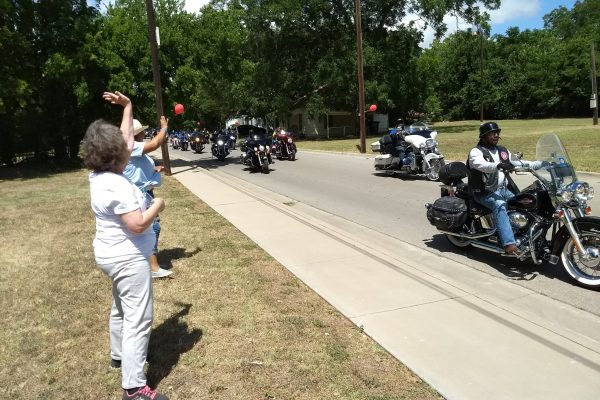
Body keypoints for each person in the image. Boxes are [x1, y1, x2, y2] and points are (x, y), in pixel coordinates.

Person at [81, 91, 169, 400]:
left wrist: (128, 107)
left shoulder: (98, 175)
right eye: (123, 146)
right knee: (138, 318)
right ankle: (134, 388)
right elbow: (137, 224)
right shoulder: (119, 185)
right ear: (118, 155)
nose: (127, 145)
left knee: (121, 305)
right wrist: (157, 204)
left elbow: (124, 140)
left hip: (109, 255)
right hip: (128, 258)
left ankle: (118, 355)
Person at [467, 121, 543, 256]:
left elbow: (519, 163)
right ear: (483, 136)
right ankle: (509, 245)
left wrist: (542, 164)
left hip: (503, 188)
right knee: (500, 204)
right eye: (492, 133)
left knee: (528, 201)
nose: (496, 135)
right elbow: (481, 165)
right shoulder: (476, 152)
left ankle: (525, 234)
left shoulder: (503, 151)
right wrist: (498, 165)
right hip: (484, 191)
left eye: (497, 133)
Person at [123, 116, 172, 279]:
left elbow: (138, 168)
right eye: (142, 131)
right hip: (139, 195)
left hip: (144, 192)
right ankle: (152, 267)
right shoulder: (131, 146)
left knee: (149, 227)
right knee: (152, 226)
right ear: (137, 134)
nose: (144, 133)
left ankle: (146, 262)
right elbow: (155, 144)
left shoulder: (134, 149)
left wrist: (155, 169)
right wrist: (164, 128)